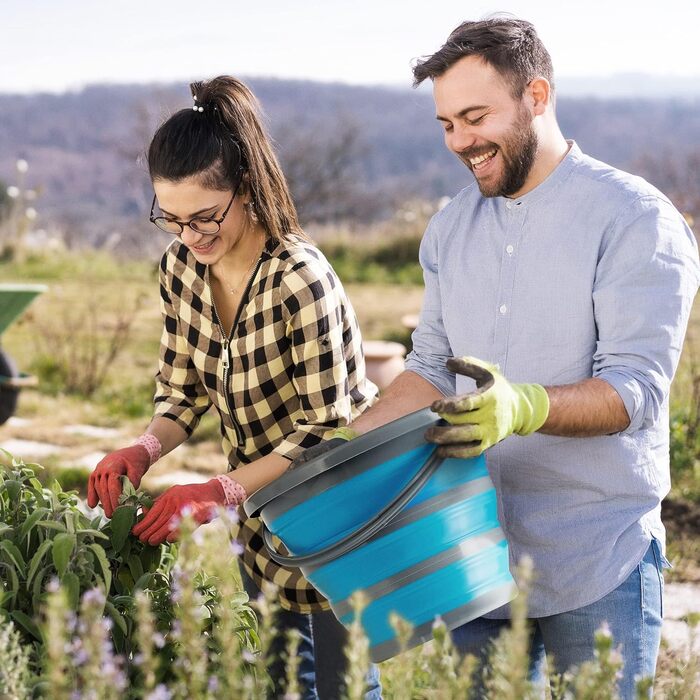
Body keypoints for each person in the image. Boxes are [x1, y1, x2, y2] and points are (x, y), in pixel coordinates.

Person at [311, 17, 699, 699]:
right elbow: (428, 367)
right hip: (471, 554)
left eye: (475, 116)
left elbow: (634, 391)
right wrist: (342, 449)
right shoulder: (452, 227)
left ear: (537, 96)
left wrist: (521, 406)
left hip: (595, 557)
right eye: (446, 124)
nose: (460, 141)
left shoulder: (635, 219)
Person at [86, 76, 382, 700]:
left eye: (203, 218)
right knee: (280, 681)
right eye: (170, 219)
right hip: (262, 520)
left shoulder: (300, 280)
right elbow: (182, 387)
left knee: (345, 684)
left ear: (246, 188)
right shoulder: (180, 269)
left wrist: (220, 490)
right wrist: (144, 448)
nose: (189, 236)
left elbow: (330, 432)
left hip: (341, 514)